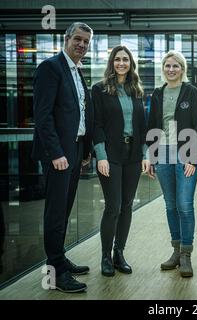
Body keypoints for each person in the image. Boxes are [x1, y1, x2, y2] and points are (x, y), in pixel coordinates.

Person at [31, 22, 94, 293]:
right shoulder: (51, 68)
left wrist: (84, 150)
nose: (81, 45)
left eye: (86, 42)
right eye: (77, 39)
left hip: (75, 149)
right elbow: (42, 116)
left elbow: (79, 112)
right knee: (55, 212)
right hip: (59, 153)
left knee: (65, 209)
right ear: (66, 38)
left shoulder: (77, 71)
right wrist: (56, 152)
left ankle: (59, 258)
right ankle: (55, 272)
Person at [92, 46, 150, 277]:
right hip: (111, 155)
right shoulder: (100, 90)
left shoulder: (136, 90)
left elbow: (143, 127)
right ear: (112, 63)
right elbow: (95, 124)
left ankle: (119, 254)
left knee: (127, 206)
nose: (122, 63)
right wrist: (101, 156)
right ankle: (105, 256)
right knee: (113, 206)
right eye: (117, 59)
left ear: (131, 63)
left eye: (125, 59)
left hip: (133, 154)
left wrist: (145, 154)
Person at [146, 50, 197, 277]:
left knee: (184, 205)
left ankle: (187, 255)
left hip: (184, 155)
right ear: (164, 69)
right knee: (170, 205)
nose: (171, 70)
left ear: (182, 69)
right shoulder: (157, 94)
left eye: (175, 66)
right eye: (168, 66)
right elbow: (152, 126)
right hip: (162, 155)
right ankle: (176, 252)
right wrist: (150, 156)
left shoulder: (191, 91)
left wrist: (192, 157)